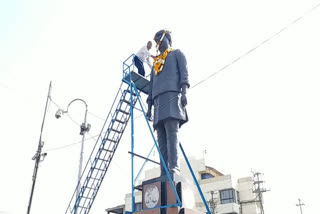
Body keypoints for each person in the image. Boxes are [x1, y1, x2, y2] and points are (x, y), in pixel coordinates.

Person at [147, 30, 189, 178]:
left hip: (172, 97)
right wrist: (149, 107)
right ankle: (163, 170)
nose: (158, 42)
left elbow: (184, 74)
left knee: (172, 133)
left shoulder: (177, 54)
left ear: (167, 39)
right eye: (156, 39)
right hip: (158, 101)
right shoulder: (156, 64)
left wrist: (184, 93)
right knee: (161, 139)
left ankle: (174, 168)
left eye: (159, 38)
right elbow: (151, 87)